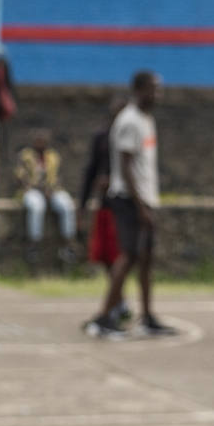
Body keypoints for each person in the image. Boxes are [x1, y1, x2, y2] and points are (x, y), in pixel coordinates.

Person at [84, 71, 176, 337]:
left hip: (144, 199)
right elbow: (124, 167)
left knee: (145, 257)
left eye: (159, 89)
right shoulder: (129, 120)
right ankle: (103, 318)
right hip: (127, 199)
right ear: (138, 90)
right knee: (128, 255)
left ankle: (147, 317)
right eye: (153, 89)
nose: (158, 95)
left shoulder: (146, 119)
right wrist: (140, 206)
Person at [79, 97, 126, 301]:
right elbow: (91, 172)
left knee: (123, 255)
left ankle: (116, 301)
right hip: (106, 204)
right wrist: (81, 205)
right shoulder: (102, 138)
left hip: (125, 204)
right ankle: (118, 300)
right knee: (105, 254)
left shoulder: (131, 137)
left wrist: (115, 181)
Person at [15, 128, 76, 269]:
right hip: (31, 191)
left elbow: (59, 176)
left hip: (52, 191)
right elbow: (20, 177)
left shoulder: (53, 156)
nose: (41, 143)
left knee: (67, 205)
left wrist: (52, 189)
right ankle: (34, 245)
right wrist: (38, 188)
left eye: (43, 141)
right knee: (37, 206)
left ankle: (68, 244)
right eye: (38, 141)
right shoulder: (25, 156)